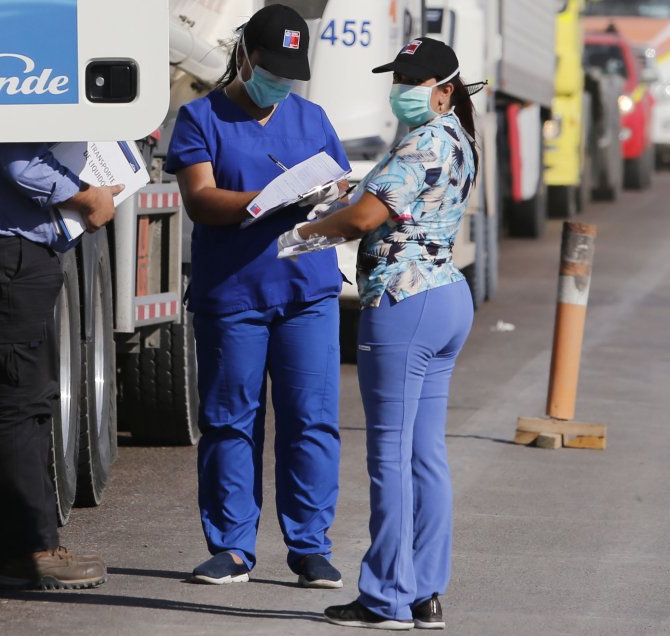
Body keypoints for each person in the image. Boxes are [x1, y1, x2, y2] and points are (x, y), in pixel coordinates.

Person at [280, 37, 481, 630]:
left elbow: (369, 218)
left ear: (445, 91)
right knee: (425, 455)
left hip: (404, 301)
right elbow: (392, 199)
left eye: (415, 82)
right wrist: (355, 192)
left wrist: (306, 234)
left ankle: (385, 598)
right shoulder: (456, 139)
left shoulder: (422, 141)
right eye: (399, 79)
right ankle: (423, 593)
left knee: (389, 457)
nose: (402, 91)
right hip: (445, 296)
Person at [163, 4, 350, 588]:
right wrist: (261, 200)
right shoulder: (200, 118)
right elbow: (199, 199)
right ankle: (232, 547)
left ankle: (310, 546)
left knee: (312, 421)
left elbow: (338, 185)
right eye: (272, 69)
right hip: (233, 296)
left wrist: (330, 191)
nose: (281, 83)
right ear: (245, 57)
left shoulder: (313, 118)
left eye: (291, 74)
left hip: (307, 293)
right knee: (229, 420)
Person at [0, 142, 121, 590]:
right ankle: (27, 553)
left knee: (23, 406)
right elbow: (22, 163)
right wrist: (87, 196)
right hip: (4, 254)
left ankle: (29, 548)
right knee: (20, 408)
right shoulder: (26, 85)